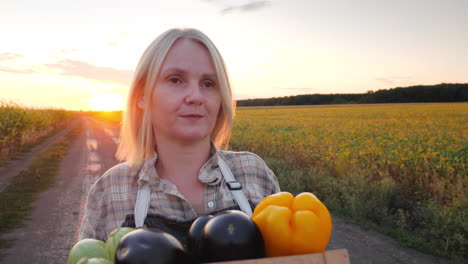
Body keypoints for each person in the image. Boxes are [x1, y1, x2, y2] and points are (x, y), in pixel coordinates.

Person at [78, 28, 280, 244]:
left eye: (208, 84)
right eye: (175, 80)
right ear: (141, 97)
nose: (196, 96)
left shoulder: (253, 172)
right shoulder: (110, 190)